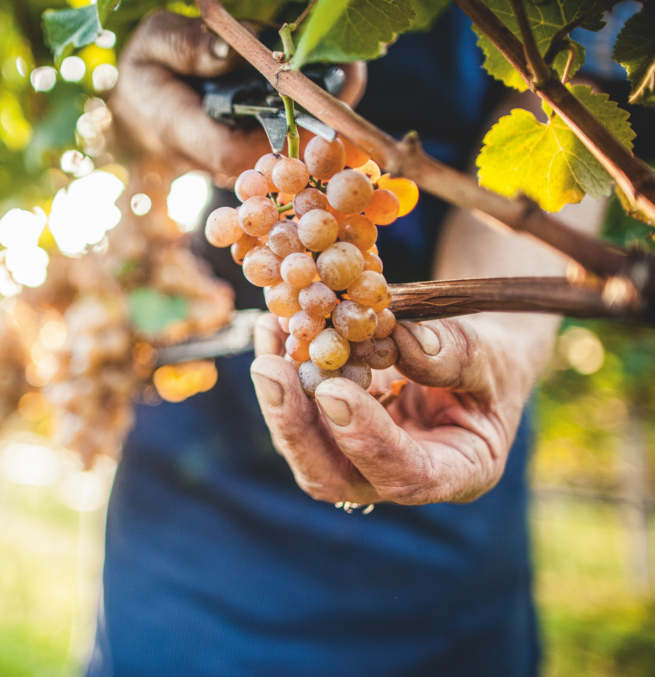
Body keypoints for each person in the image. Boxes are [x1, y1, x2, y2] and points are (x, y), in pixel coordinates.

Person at [88, 6, 608, 676]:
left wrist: (500, 332)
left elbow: (570, 108)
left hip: (436, 404)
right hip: (202, 440)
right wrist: (138, 98)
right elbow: (117, 101)